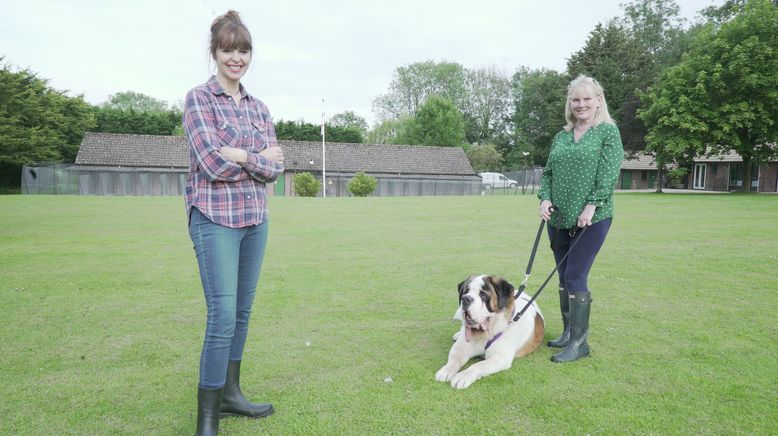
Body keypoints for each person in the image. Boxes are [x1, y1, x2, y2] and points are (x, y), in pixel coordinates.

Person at [183, 10, 284, 435]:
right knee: (222, 315)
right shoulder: (198, 100)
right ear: (215, 52)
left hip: (254, 219)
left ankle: (231, 394)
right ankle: (207, 416)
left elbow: (276, 168)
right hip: (213, 218)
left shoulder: (259, 107)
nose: (236, 58)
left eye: (243, 51)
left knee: (242, 313)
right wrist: (254, 158)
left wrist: (240, 154)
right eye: (228, 50)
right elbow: (210, 164)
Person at [537, 75, 623, 363]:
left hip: (592, 218)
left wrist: (592, 205)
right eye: (576, 99)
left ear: (599, 101)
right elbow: (548, 173)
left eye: (587, 99)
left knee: (575, 275)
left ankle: (580, 344)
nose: (581, 104)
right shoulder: (561, 137)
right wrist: (545, 198)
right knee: (563, 276)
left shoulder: (607, 133)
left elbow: (609, 173)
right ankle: (568, 332)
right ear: (569, 103)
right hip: (558, 217)